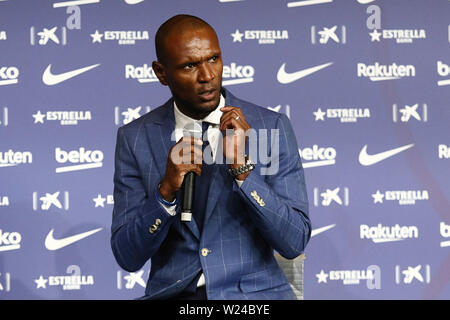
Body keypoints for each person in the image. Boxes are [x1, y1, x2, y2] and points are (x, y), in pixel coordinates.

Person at [111, 14, 311, 300]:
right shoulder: (135, 138)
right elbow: (127, 256)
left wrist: (243, 171)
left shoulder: (269, 127)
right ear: (161, 72)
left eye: (213, 59)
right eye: (190, 65)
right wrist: (165, 191)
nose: (207, 76)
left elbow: (294, 241)